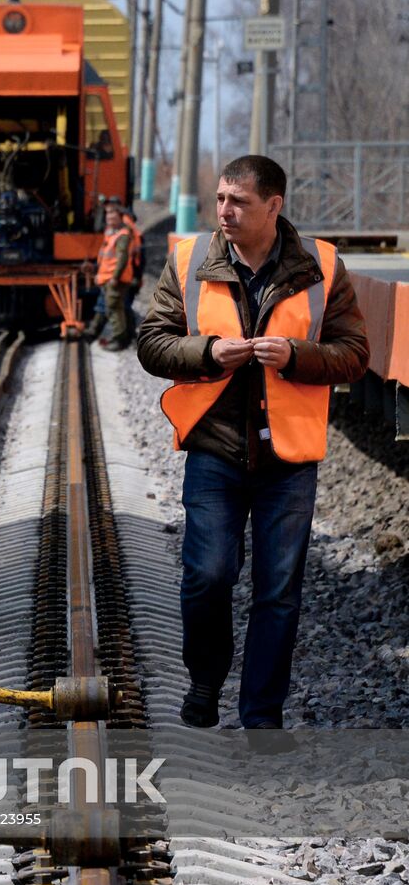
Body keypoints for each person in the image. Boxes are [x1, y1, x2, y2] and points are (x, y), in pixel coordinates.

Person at [138, 155, 369, 739]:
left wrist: (297, 356)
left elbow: (354, 352)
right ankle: (206, 680)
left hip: (288, 456)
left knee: (278, 592)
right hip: (213, 448)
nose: (223, 211)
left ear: (274, 206)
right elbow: (153, 343)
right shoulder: (190, 260)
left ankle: (262, 715)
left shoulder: (321, 265)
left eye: (237, 201)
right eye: (219, 199)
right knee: (208, 575)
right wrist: (208, 352)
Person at [85, 200, 134, 350]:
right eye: (107, 214)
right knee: (107, 306)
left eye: (112, 214)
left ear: (120, 216)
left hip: (115, 279)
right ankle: (93, 332)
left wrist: (115, 277)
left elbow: (122, 258)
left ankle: (119, 340)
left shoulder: (122, 235)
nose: (109, 217)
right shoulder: (111, 234)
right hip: (108, 278)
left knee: (114, 308)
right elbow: (106, 257)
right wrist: (95, 269)